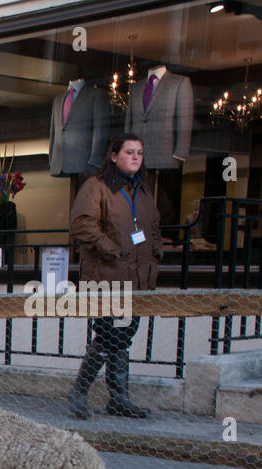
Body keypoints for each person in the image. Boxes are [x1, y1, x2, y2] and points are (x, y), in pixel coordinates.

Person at [68, 135, 162, 419]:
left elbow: (154, 226)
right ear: (113, 156)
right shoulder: (96, 187)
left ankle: (118, 398)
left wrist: (156, 250)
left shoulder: (143, 191)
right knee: (110, 334)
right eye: (129, 152)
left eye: (140, 153)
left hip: (137, 279)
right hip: (107, 277)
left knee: (124, 335)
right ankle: (80, 391)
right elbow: (81, 225)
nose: (136, 157)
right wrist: (113, 251)